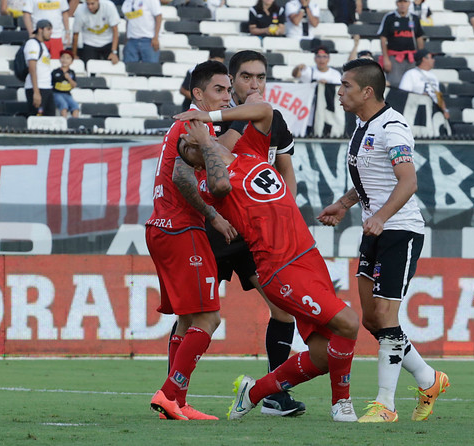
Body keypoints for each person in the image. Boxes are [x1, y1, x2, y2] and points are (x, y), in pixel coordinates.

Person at [174, 102, 360, 423]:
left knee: (323, 353)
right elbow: (221, 185)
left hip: (308, 257)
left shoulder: (249, 151)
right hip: (279, 268)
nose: (192, 143)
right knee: (349, 323)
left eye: (194, 139)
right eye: (187, 149)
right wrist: (204, 143)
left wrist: (210, 117)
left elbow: (265, 110)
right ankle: (341, 404)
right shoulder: (209, 183)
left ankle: (255, 392)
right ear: (195, 162)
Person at [318, 58, 449, 423]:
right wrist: (344, 205)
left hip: (400, 231)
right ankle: (428, 378)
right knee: (373, 321)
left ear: (367, 91)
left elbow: (408, 182)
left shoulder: (393, 127)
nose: (340, 91)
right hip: (374, 229)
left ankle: (385, 405)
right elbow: (372, 181)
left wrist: (380, 216)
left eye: (345, 85)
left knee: (386, 317)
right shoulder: (363, 125)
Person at [210, 50, 305, 417]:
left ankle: (273, 394)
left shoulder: (274, 120)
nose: (255, 84)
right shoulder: (215, 119)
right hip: (215, 227)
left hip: (254, 233)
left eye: (261, 78)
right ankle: (174, 391)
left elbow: (286, 174)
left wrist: (286, 216)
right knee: (197, 314)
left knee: (283, 310)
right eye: (247, 77)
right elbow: (216, 159)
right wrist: (244, 118)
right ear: (232, 82)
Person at [146, 60, 237, 421]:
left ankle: (177, 401)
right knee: (210, 319)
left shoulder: (191, 124)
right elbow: (183, 177)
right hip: (182, 228)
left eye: (228, 89)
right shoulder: (195, 123)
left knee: (187, 320)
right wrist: (214, 216)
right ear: (197, 93)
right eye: (219, 89)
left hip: (162, 226)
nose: (227, 96)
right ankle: (170, 393)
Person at [377, 0, 425, 87]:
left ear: (409, 3)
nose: (402, 4)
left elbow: (419, 38)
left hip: (411, 58)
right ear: (396, 3)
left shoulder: (414, 18)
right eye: (400, 2)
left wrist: (420, 57)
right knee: (395, 84)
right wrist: (386, 59)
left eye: (405, 2)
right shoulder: (389, 17)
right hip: (395, 58)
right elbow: (383, 38)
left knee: (412, 84)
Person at [398, 49, 450, 120]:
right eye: (431, 58)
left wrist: (445, 110)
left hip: (433, 111)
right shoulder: (410, 74)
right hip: (417, 111)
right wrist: (420, 97)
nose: (433, 60)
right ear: (424, 59)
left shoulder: (433, 76)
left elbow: (438, 96)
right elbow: (403, 94)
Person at [72, 0, 120, 64]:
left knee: (113, 66)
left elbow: (115, 30)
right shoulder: (80, 10)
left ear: (98, 1)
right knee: (89, 67)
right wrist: (74, 55)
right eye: (88, 4)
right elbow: (76, 34)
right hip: (89, 42)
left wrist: (114, 52)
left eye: (92, 4)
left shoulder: (109, 6)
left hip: (108, 41)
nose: (90, 7)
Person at [25, 19, 55, 117]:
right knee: (38, 119)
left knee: (50, 120)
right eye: (48, 29)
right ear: (40, 29)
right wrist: (36, 92)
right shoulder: (33, 44)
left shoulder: (42, 45)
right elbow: (32, 68)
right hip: (38, 87)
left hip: (46, 87)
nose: (51, 32)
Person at [180, 47, 225, 111]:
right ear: (209, 58)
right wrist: (201, 99)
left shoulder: (222, 75)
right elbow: (183, 90)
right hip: (191, 109)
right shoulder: (195, 71)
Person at [51, 49, 79, 118]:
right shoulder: (55, 71)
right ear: (60, 59)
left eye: (68, 58)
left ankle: (74, 123)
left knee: (75, 106)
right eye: (63, 57)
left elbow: (74, 85)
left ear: (71, 61)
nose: (65, 60)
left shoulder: (71, 72)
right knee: (63, 105)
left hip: (67, 94)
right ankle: (64, 123)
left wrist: (69, 78)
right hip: (56, 93)